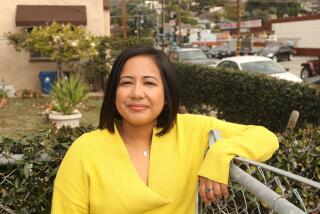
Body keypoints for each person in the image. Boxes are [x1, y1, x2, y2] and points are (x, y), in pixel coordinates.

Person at [51, 46, 279, 213]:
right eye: (126, 82)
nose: (137, 93)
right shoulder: (85, 150)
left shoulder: (190, 130)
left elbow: (265, 137)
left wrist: (219, 156)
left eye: (149, 83)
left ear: (167, 95)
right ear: (113, 93)